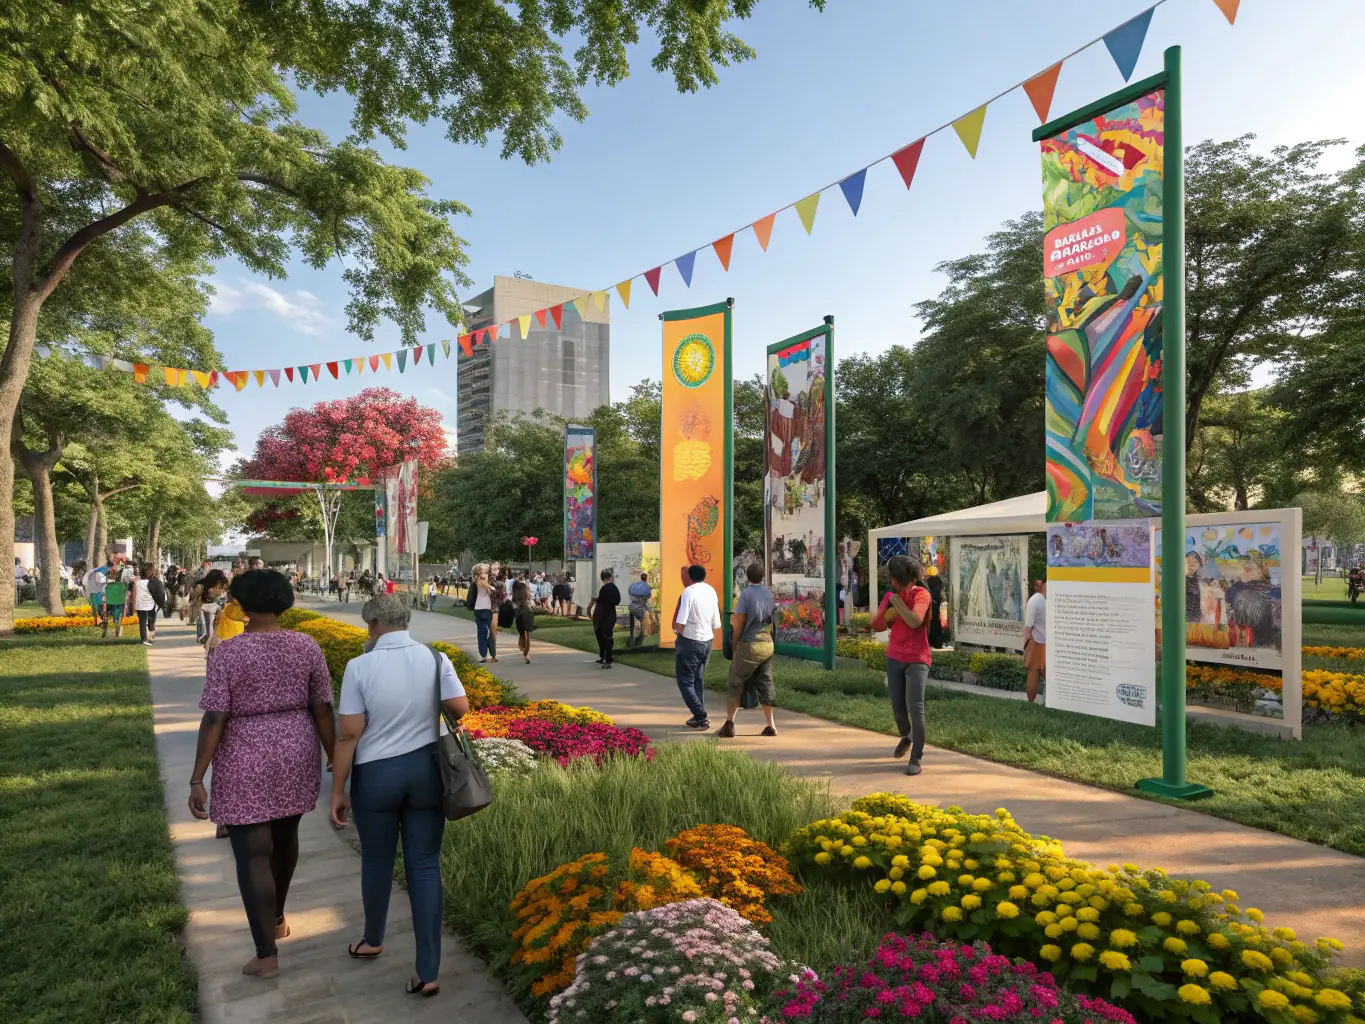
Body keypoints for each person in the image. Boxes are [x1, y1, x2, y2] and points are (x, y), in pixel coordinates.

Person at [187, 570, 337, 981]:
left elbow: (216, 716)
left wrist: (198, 777)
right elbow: (322, 708)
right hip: (295, 746)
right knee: (286, 839)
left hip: (244, 753)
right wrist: (332, 755)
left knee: (253, 852)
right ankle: (277, 919)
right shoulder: (306, 646)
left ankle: (266, 954)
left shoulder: (228, 653)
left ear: (242, 604)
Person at [329, 593, 469, 998]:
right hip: (427, 771)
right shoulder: (436, 659)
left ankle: (373, 939)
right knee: (424, 866)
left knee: (377, 860)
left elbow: (348, 733)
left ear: (372, 624)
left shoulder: (360, 666)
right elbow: (460, 707)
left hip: (377, 773)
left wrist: (338, 790)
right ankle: (428, 971)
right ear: (406, 620)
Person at [871, 555, 932, 776]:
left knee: (915, 708)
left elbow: (915, 621)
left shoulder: (921, 595)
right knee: (898, 709)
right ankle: (908, 736)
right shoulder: (890, 596)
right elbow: (876, 625)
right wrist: (890, 604)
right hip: (894, 657)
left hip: (917, 659)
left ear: (896, 580)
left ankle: (916, 757)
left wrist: (899, 605)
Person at [719, 562, 778, 738]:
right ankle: (771, 726)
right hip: (767, 644)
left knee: (735, 682)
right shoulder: (768, 594)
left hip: (750, 644)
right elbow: (771, 621)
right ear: (762, 577)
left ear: (747, 577)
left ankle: (729, 724)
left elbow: (739, 624)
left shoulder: (745, 595)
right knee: (765, 683)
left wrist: (735, 645)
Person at [673, 564, 721, 729]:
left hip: (690, 640)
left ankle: (700, 715)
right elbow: (716, 621)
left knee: (685, 680)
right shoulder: (711, 590)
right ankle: (697, 714)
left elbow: (681, 619)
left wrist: (678, 634)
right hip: (707, 641)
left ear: (690, 577)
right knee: (698, 679)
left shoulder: (689, 592)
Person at [587, 569, 621, 668]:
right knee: (608, 635)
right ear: (609, 578)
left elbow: (601, 602)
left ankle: (605, 657)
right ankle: (608, 656)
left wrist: (596, 600)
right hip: (611, 614)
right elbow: (617, 601)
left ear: (603, 578)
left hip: (602, 615)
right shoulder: (614, 588)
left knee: (601, 636)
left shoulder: (604, 589)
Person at [466, 564, 499, 663]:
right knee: (486, 632)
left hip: (482, 608)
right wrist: (491, 588)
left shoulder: (477, 581)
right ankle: (485, 653)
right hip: (484, 608)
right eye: (483, 570)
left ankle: (485, 654)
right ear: (478, 572)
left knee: (483, 632)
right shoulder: (480, 580)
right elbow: (491, 590)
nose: (484, 573)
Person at [132, 563, 168, 646]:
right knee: (152, 620)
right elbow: (159, 594)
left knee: (142, 622)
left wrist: (134, 605)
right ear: (152, 572)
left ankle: (144, 639)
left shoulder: (138, 583)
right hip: (151, 605)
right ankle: (151, 636)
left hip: (140, 605)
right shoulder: (154, 583)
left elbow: (135, 594)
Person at [1023, 580, 1047, 703]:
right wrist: (1028, 645)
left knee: (1035, 673)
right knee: (1034, 673)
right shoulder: (1037, 600)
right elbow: (1028, 626)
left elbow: (1028, 625)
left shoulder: (1036, 600)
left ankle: (1034, 703)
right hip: (1038, 642)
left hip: (1042, 642)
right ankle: (1031, 703)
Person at [103, 559, 129, 639]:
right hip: (116, 599)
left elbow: (103, 589)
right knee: (114, 616)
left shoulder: (107, 578)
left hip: (109, 599)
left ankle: (105, 631)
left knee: (106, 615)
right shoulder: (120, 580)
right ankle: (114, 630)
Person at [627, 572, 653, 648]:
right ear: (646, 579)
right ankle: (643, 635)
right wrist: (650, 610)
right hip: (639, 609)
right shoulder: (647, 588)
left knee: (632, 626)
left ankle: (632, 639)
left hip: (631, 607)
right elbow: (648, 601)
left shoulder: (633, 585)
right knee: (645, 616)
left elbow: (630, 594)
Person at [513, 580, 536, 664]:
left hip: (519, 618)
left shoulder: (515, 599)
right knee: (528, 637)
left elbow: (514, 609)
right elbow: (532, 606)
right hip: (528, 616)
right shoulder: (527, 599)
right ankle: (527, 654)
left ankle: (523, 647)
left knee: (522, 633)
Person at [83, 561, 109, 632]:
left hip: (97, 594)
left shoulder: (96, 571)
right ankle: (101, 620)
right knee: (102, 607)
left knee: (96, 608)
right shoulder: (105, 571)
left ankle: (99, 621)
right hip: (101, 594)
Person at [925, 566, 945, 649]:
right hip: (937, 606)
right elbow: (942, 595)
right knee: (937, 623)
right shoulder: (939, 581)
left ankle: (929, 642)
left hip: (929, 605)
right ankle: (938, 643)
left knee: (929, 623)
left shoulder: (927, 581)